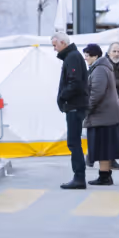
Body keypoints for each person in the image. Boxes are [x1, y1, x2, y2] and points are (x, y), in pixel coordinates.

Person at [81, 44, 119, 186]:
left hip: (104, 115)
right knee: (103, 147)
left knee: (103, 147)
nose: (86, 58)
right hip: (105, 115)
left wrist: (87, 109)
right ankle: (105, 176)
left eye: (87, 55)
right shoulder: (101, 67)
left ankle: (105, 177)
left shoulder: (99, 69)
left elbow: (96, 93)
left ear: (95, 56)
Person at [52, 32, 89, 190]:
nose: (54, 49)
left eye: (55, 45)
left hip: (74, 105)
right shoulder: (72, 56)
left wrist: (62, 97)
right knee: (74, 142)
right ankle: (79, 177)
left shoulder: (72, 57)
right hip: (75, 105)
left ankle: (79, 177)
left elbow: (75, 83)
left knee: (74, 142)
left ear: (63, 43)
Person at [97, 42, 119, 171]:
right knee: (106, 134)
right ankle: (97, 158)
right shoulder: (103, 65)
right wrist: (117, 83)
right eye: (114, 51)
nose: (117, 54)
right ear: (108, 52)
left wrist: (113, 82)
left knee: (115, 134)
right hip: (106, 105)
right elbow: (102, 82)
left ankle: (111, 160)